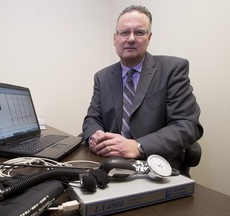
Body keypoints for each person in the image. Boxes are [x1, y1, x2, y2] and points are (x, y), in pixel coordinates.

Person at [82, 5, 203, 176]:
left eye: (139, 32)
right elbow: (92, 118)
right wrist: (94, 136)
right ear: (115, 38)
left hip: (158, 169)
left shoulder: (173, 69)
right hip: (110, 166)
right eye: (124, 32)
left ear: (149, 37)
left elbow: (187, 125)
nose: (131, 39)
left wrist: (139, 146)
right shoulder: (102, 77)